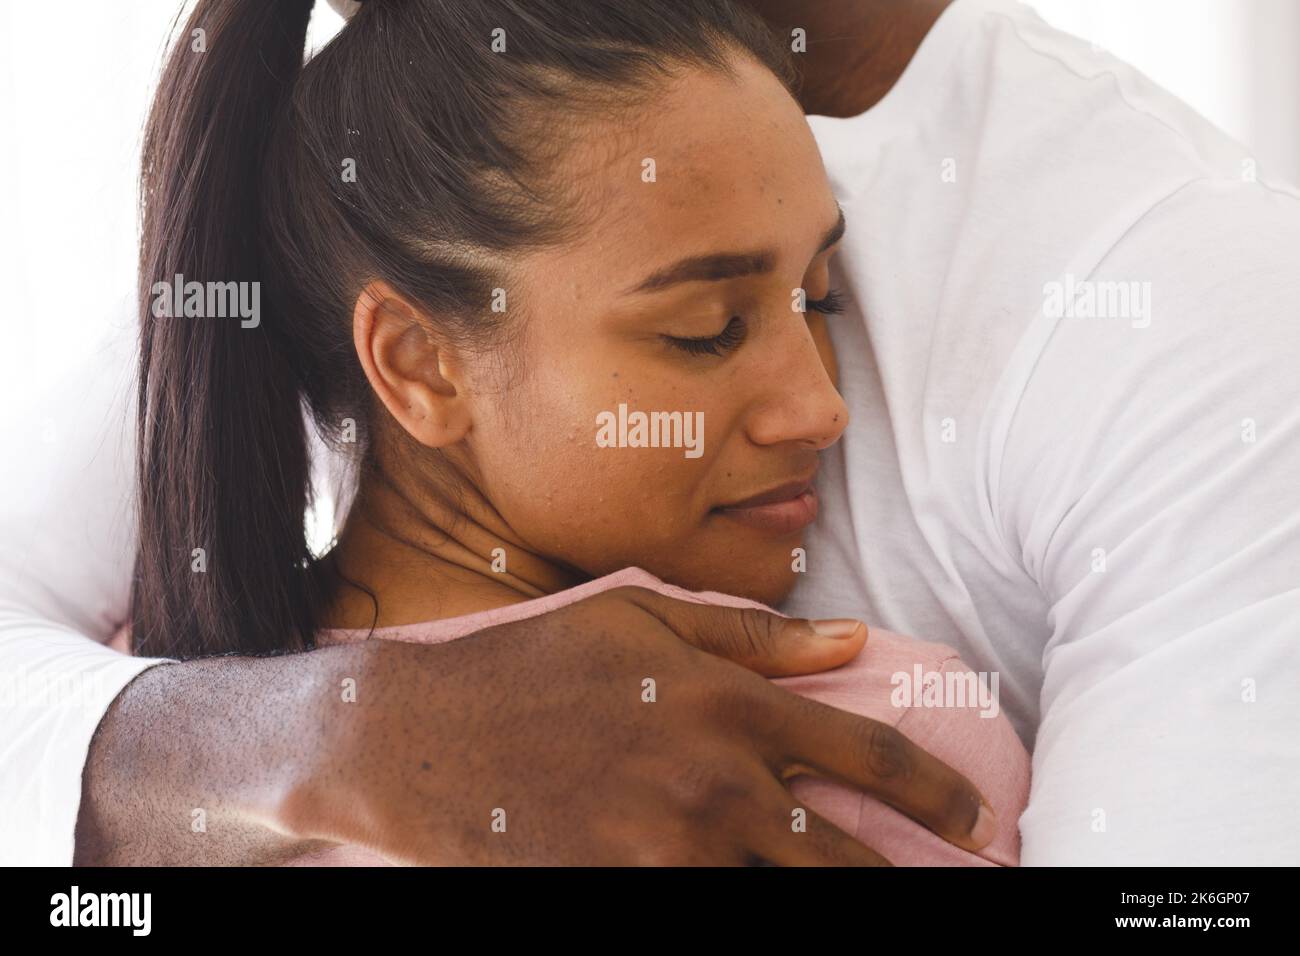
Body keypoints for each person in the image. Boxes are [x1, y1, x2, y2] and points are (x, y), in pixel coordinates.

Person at [2, 0, 1297, 867]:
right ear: (410, 361)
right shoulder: (399, 186)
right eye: (701, 332)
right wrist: (336, 743)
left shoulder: (1191, 293)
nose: (819, 412)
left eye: (822, 305)